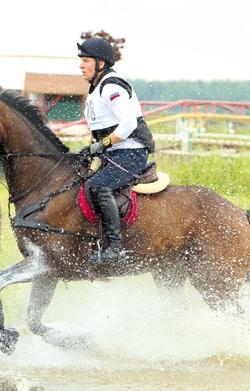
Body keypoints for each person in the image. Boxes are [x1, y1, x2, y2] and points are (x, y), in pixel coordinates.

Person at [77, 37, 154, 263]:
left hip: (131, 152)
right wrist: (93, 148)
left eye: (86, 60)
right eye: (81, 60)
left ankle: (117, 249)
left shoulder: (110, 86)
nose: (81, 65)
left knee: (100, 186)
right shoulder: (96, 88)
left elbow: (128, 123)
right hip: (114, 154)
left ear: (101, 62)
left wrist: (104, 144)